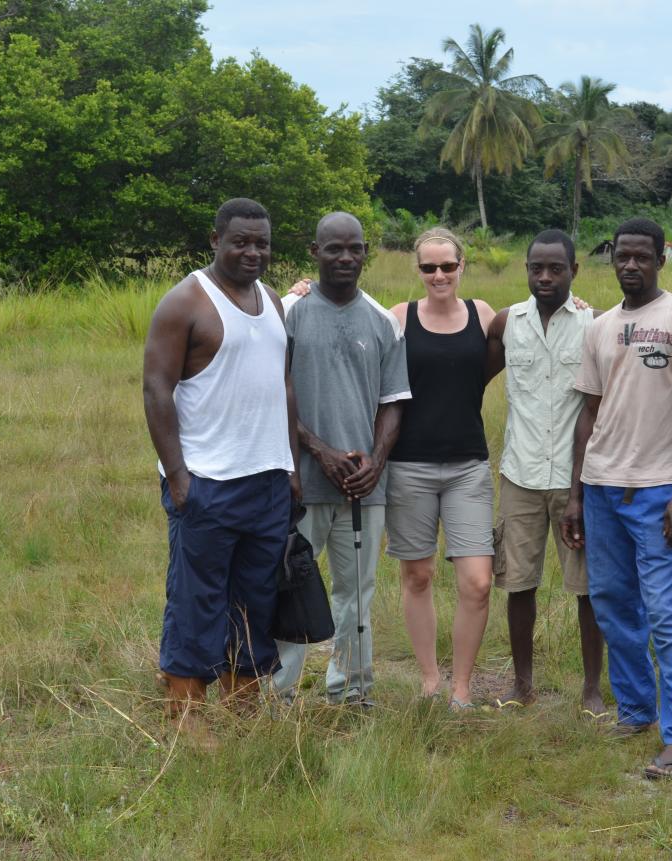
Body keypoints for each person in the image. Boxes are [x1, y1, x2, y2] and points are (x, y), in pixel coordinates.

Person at [485, 229, 672, 715]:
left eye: (557, 268)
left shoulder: (597, 321)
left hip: (613, 483)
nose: (545, 276)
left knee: (600, 592)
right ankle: (533, 686)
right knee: (535, 586)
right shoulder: (514, 323)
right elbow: (467, 371)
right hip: (536, 475)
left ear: (576, 271)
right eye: (536, 267)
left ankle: (600, 693)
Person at [562, 217, 672, 780]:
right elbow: (588, 414)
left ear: (659, 261)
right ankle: (634, 709)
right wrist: (576, 495)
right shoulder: (599, 328)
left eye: (641, 257)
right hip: (601, 489)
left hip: (654, 493)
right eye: (621, 256)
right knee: (612, 605)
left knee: (667, 615)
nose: (630, 265)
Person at [142, 198, 299, 737]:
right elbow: (156, 389)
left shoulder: (273, 301)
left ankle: (244, 706)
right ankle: (185, 714)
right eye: (241, 241)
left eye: (262, 243)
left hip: (268, 481)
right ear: (215, 241)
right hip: (208, 482)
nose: (253, 251)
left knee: (257, 597)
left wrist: (291, 466)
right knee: (197, 597)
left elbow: (283, 385)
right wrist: (179, 478)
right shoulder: (186, 302)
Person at [272, 212, 410, 707]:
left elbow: (394, 401)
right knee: (288, 585)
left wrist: (374, 461)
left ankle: (351, 689)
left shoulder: (382, 321)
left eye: (354, 248)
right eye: (334, 249)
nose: (345, 258)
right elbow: (272, 394)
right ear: (314, 252)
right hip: (297, 484)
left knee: (357, 594)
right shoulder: (289, 311)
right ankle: (278, 692)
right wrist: (318, 449)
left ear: (366, 251)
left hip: (362, 490)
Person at [386, 228, 497, 710]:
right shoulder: (398, 318)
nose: (438, 275)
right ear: (418, 270)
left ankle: (463, 687)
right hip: (408, 466)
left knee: (477, 581)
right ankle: (431, 681)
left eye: (447, 266)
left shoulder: (484, 314)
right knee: (419, 575)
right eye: (428, 267)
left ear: (462, 266)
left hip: (468, 466)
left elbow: (546, 325)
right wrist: (298, 293)